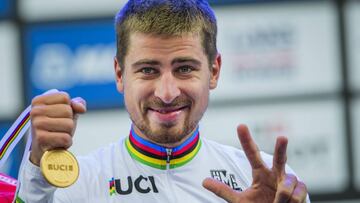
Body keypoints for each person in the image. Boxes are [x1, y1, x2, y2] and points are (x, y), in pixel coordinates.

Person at [17, 0, 310, 202]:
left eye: (184, 68)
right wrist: (35, 171)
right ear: (120, 74)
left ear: (214, 70)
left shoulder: (272, 186)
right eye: (148, 70)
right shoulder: (76, 186)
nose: (167, 93)